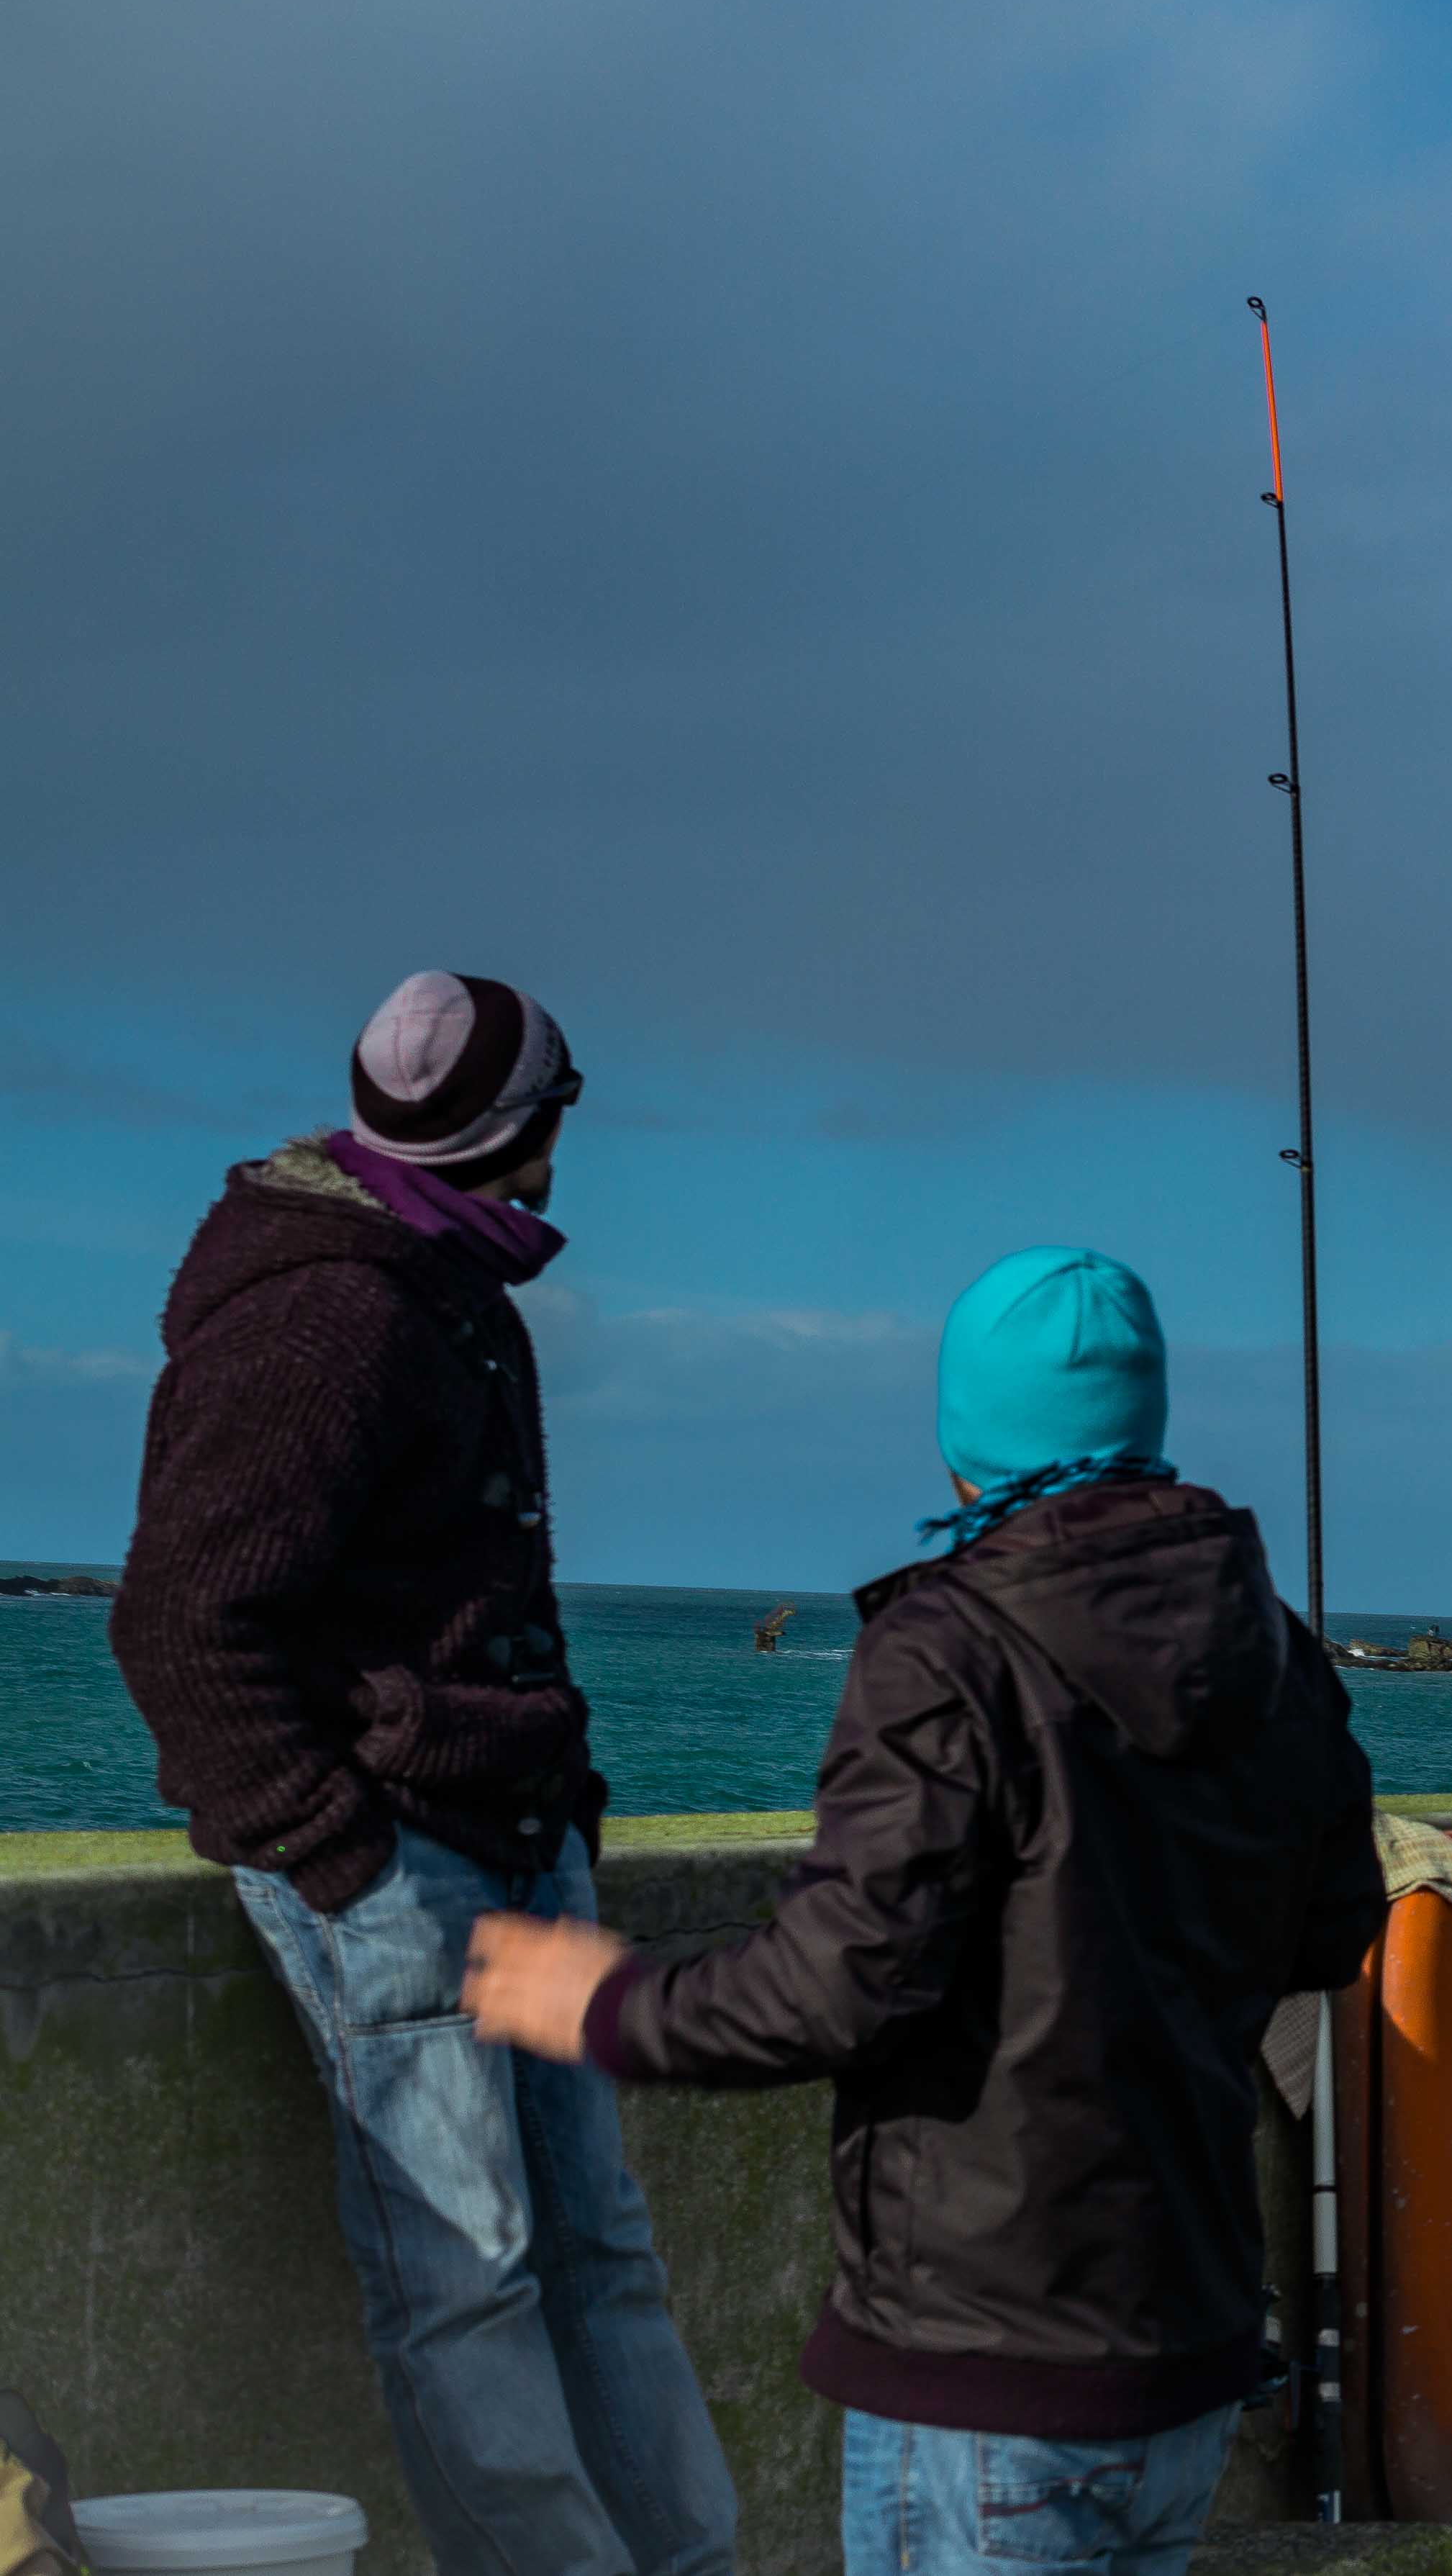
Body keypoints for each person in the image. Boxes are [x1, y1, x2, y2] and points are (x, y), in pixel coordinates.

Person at [463, 1248, 1383, 2575]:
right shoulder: (1277, 1647)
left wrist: (601, 2003)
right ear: (1145, 1420)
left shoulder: (949, 1647)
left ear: (968, 1440)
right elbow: (1331, 1928)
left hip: (986, 2368)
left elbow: (839, 1984)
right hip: (1186, 2352)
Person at [108, 973, 738, 2576]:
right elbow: (182, 1621)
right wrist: (337, 1854)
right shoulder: (332, 1313)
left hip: (517, 1844)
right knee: (469, 2278)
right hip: (405, 1863)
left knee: (599, 2255)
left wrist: (558, 1809)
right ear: (527, 1129)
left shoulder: (445, 1286)